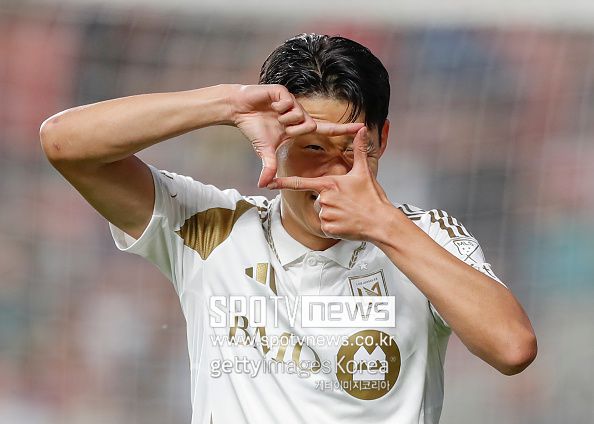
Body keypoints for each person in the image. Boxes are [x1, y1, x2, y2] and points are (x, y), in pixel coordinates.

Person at [39, 33, 536, 424]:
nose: (332, 174)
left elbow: (512, 348)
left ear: (383, 140)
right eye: (313, 148)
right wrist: (226, 104)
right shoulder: (211, 227)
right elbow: (63, 143)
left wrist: (385, 226)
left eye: (352, 151)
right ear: (275, 141)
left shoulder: (424, 237)